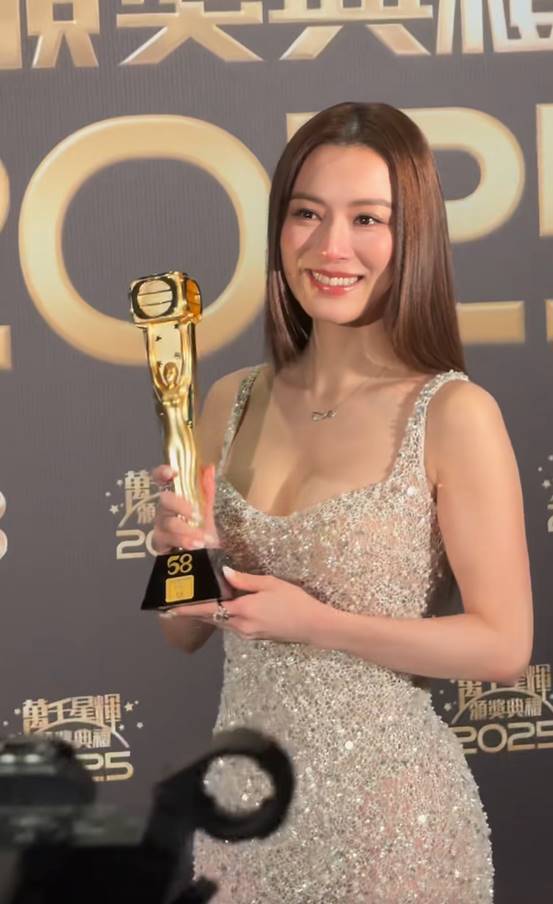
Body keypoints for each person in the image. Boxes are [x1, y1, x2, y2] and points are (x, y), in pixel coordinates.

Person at [151, 102, 533, 904]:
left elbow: (502, 645)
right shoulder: (227, 401)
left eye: (367, 219)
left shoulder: (451, 413)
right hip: (242, 818)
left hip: (389, 825)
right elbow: (183, 629)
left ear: (412, 236)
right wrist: (180, 555)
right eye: (306, 214)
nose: (330, 247)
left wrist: (316, 623)